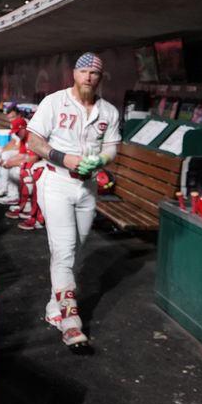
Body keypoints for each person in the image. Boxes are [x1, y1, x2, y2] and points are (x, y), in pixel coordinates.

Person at [24, 52, 122, 354]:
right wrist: (63, 157)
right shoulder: (54, 102)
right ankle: (70, 323)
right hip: (56, 181)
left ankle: (55, 307)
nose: (88, 77)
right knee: (65, 251)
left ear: (100, 77)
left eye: (94, 73)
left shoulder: (108, 111)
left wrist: (101, 159)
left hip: (87, 187)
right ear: (74, 74)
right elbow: (33, 141)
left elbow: (112, 147)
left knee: (75, 249)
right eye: (84, 72)